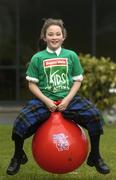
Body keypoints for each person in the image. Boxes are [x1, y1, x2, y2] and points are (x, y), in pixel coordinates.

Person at [6, 18, 110, 175]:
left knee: (95, 116)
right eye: (50, 34)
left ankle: (95, 156)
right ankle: (17, 156)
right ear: (44, 37)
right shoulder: (37, 58)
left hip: (69, 99)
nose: (54, 37)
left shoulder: (71, 56)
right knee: (21, 122)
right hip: (44, 101)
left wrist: (67, 100)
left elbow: (77, 81)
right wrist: (47, 101)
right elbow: (32, 85)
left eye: (57, 34)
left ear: (63, 36)